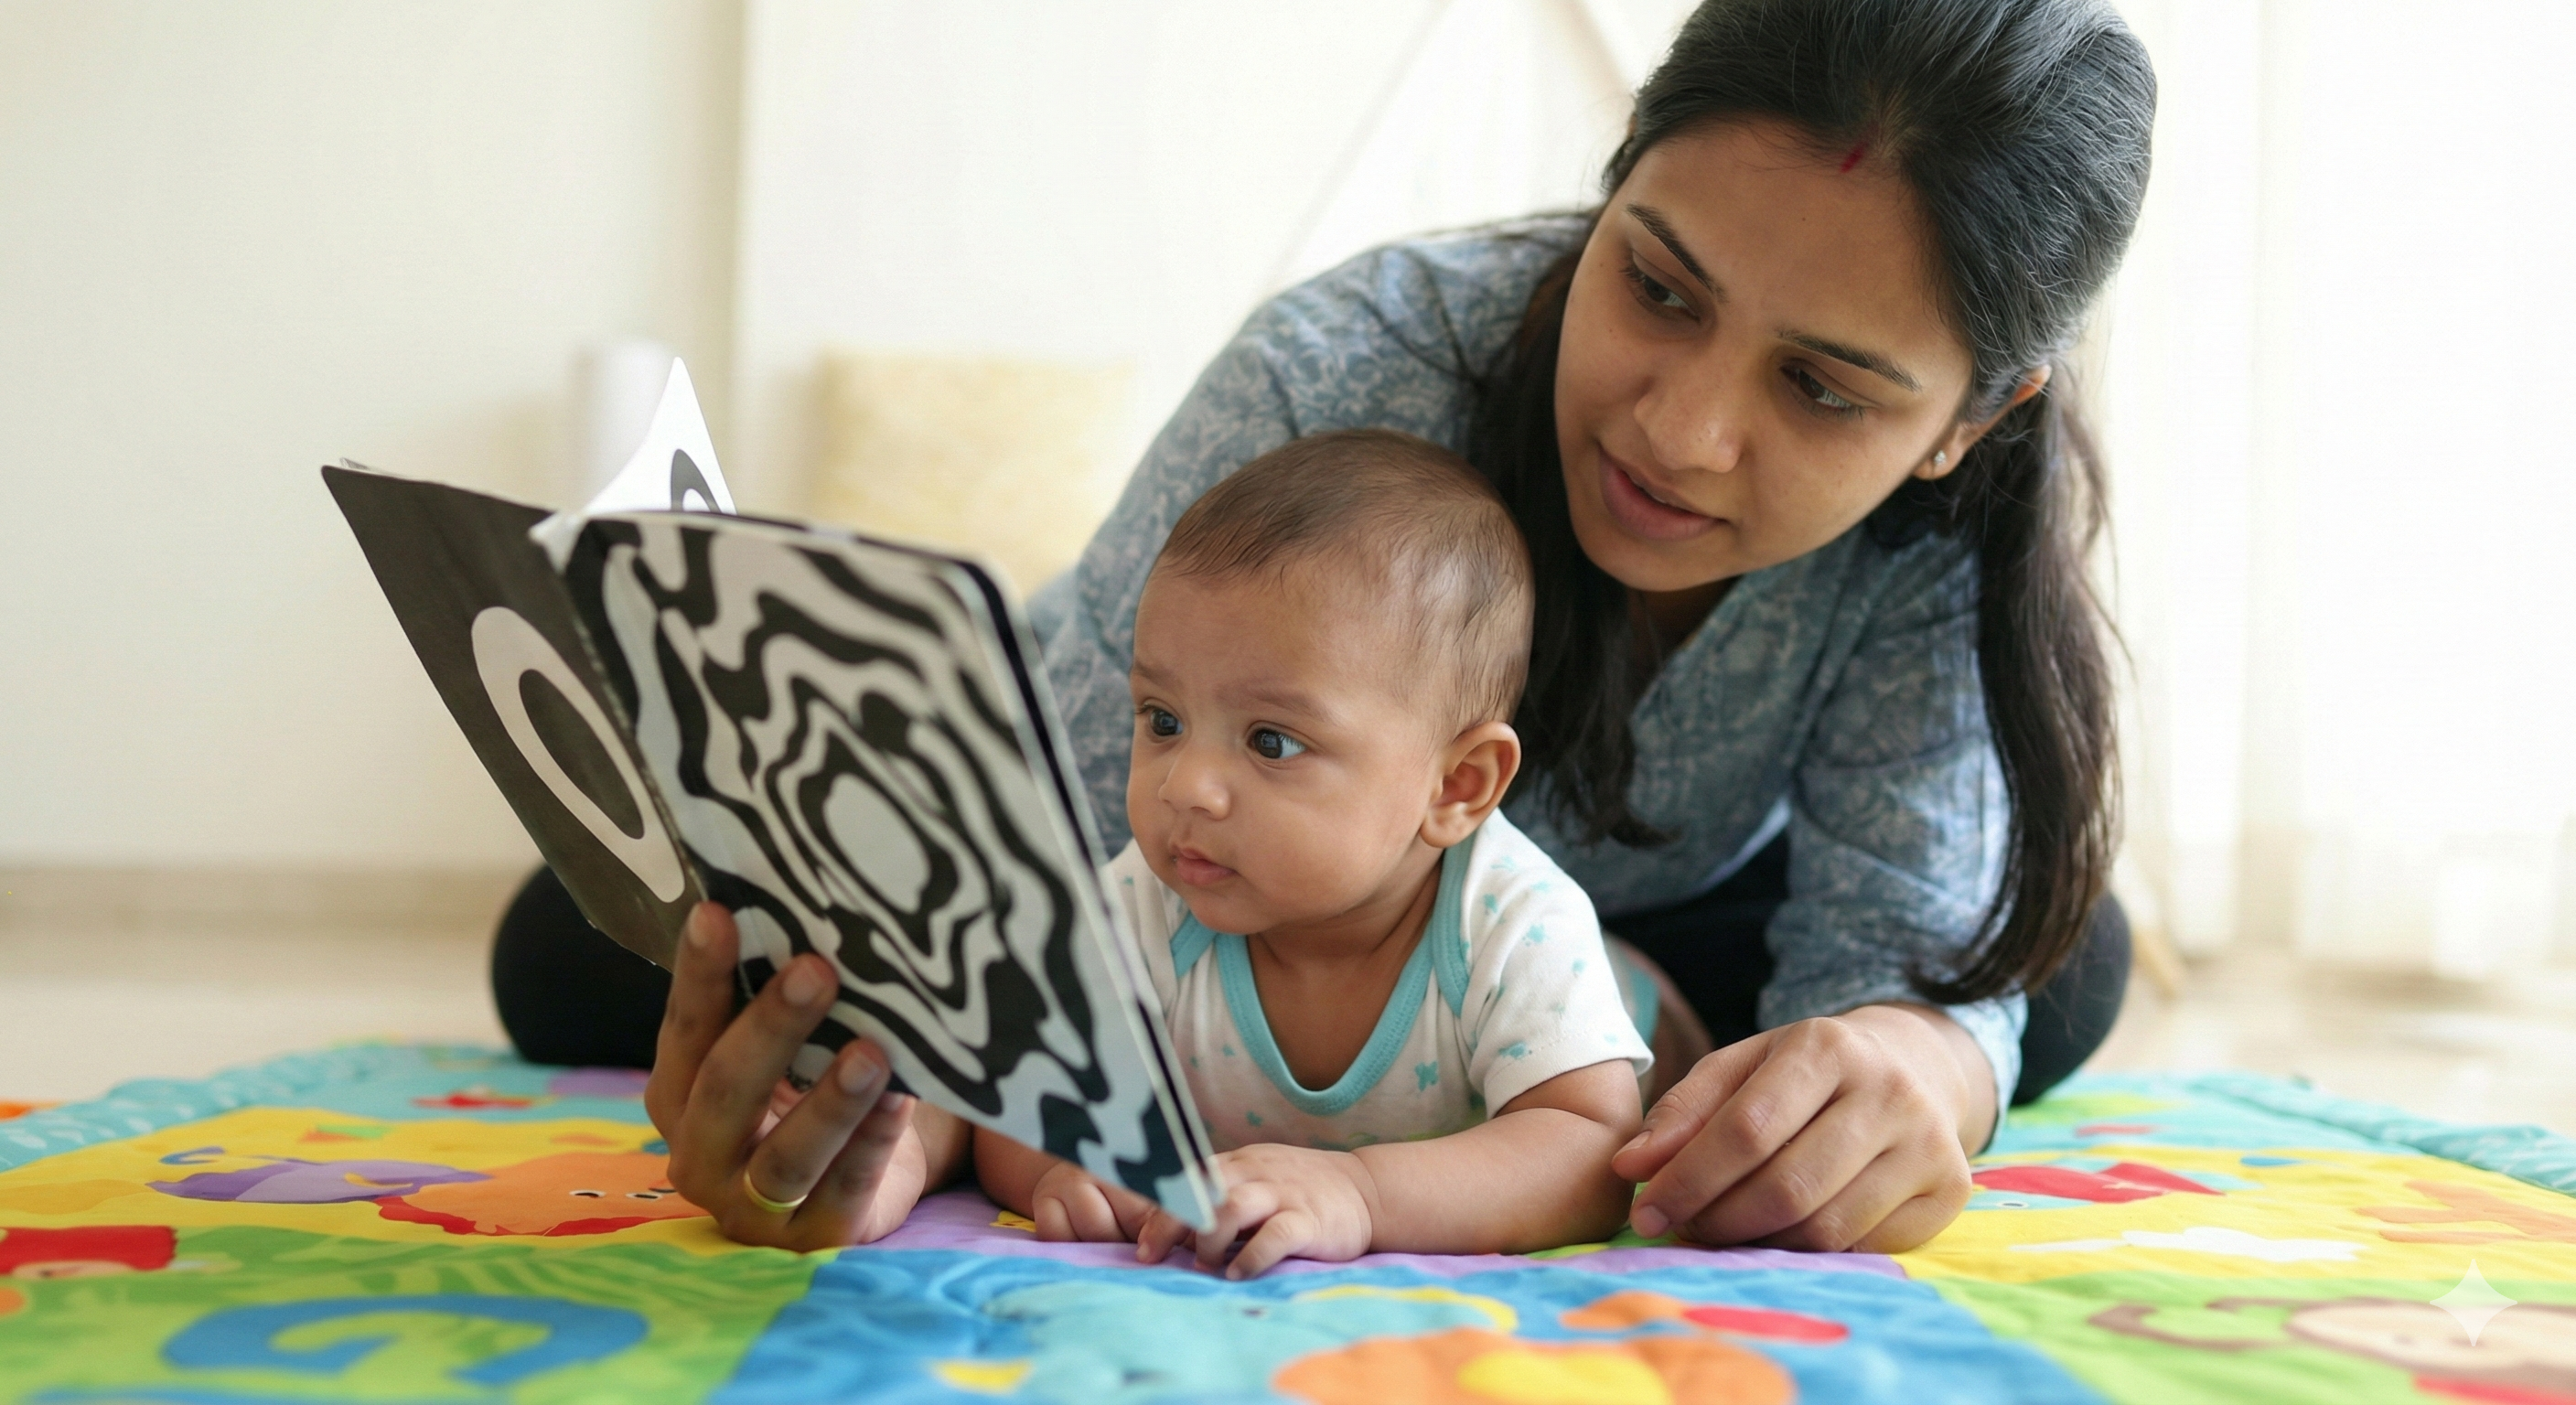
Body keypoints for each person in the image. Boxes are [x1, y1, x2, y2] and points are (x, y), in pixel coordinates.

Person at [495, 0, 2153, 1256]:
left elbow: (1891, 948)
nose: (1682, 431)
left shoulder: (1954, 533)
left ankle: (1636, 998)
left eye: (1818, 388)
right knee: (582, 950)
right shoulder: (1345, 373)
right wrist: (890, 1103)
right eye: (1655, 285)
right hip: (1165, 839)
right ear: (1611, 190)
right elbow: (1084, 852)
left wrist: (1906, 1069)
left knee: (2043, 974)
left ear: (1968, 418)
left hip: (1658, 911)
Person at [978, 429, 1649, 1277]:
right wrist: (1076, 1165)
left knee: (1654, 1043)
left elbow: (1593, 1156)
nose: (1187, 787)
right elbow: (1007, 1102)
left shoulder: (1514, 922)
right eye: (1163, 720)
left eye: (1270, 741)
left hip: (1614, 993)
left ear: (1456, 786)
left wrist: (1361, 1193)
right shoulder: (1145, 905)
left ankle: (1647, 991)